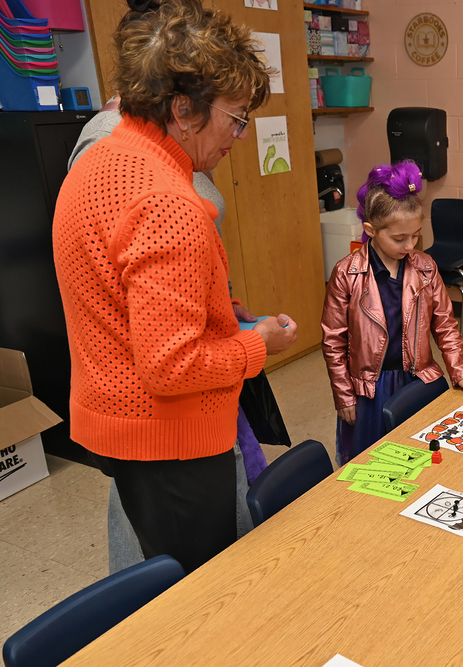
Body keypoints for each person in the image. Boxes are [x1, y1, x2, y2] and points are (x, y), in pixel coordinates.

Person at [52, 0, 297, 574]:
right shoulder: (167, 199)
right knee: (198, 595)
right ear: (184, 109)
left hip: (115, 416)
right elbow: (173, 367)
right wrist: (258, 343)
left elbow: (121, 292)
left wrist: (213, 306)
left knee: (160, 569)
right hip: (170, 436)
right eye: (235, 118)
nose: (239, 135)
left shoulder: (100, 159)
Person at [321, 161, 463, 467]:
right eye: (399, 239)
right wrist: (344, 395)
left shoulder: (426, 268)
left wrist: (461, 370)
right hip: (370, 390)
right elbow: (333, 342)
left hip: (416, 381)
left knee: (420, 461)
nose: (410, 245)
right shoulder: (346, 273)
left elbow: (446, 327)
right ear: (370, 230)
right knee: (377, 465)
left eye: (415, 236)